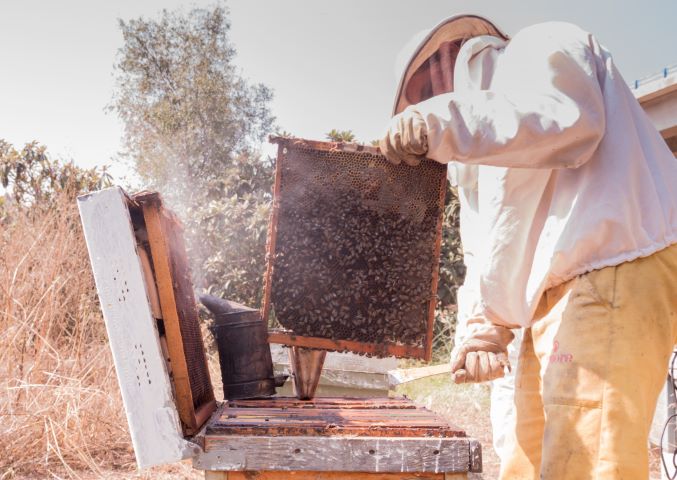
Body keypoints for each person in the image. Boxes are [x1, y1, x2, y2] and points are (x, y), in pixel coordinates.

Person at [380, 14, 677, 479]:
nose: (424, 109)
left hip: (614, 262)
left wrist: (438, 121)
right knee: (526, 454)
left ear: (445, 59)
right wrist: (483, 329)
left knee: (587, 457)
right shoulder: (481, 158)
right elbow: (491, 243)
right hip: (555, 293)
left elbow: (565, 123)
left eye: (423, 96)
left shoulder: (539, 46)